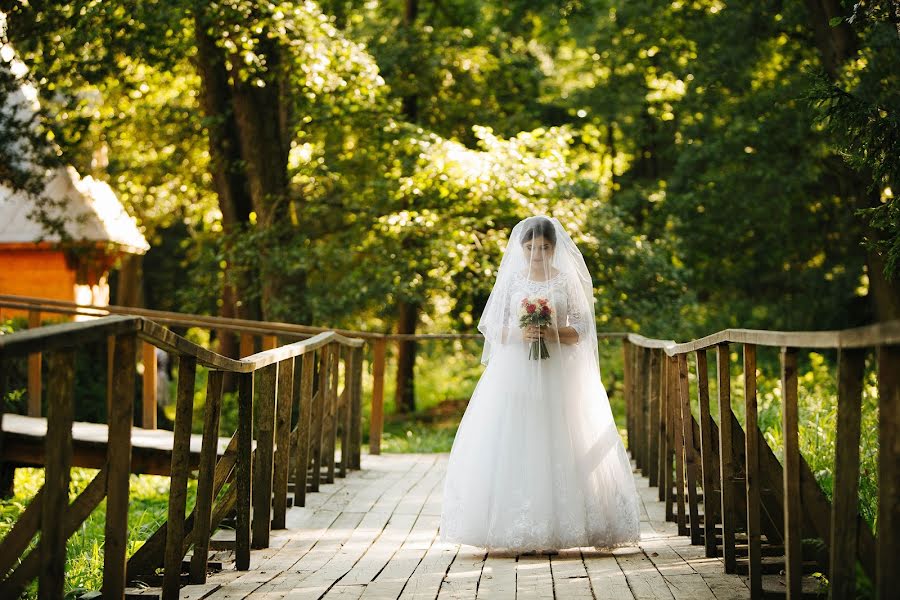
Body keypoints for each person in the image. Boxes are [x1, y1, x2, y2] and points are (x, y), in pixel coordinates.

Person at [439, 215, 641, 552]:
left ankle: (559, 530)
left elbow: (582, 329)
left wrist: (552, 333)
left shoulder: (565, 282)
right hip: (515, 371)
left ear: (553, 248)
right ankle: (515, 526)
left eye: (543, 247)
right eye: (530, 247)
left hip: (558, 373)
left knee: (559, 438)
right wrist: (521, 334)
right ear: (521, 248)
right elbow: (493, 327)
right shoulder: (513, 281)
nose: (536, 253)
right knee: (517, 439)